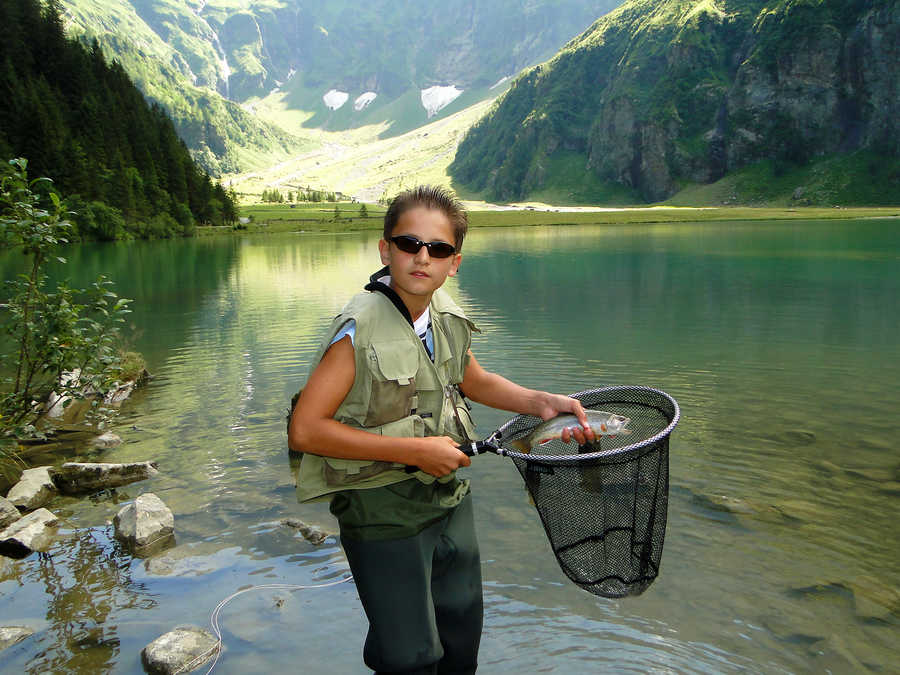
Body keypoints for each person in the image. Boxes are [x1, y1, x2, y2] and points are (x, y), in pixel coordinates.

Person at [288, 185, 594, 674]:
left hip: (449, 497)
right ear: (385, 249)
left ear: (455, 262)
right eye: (408, 244)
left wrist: (542, 403)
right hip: (379, 508)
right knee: (409, 656)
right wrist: (413, 452)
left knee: (459, 633)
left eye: (439, 249)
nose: (421, 257)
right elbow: (305, 431)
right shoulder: (356, 330)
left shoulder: (443, 315)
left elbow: (473, 379)